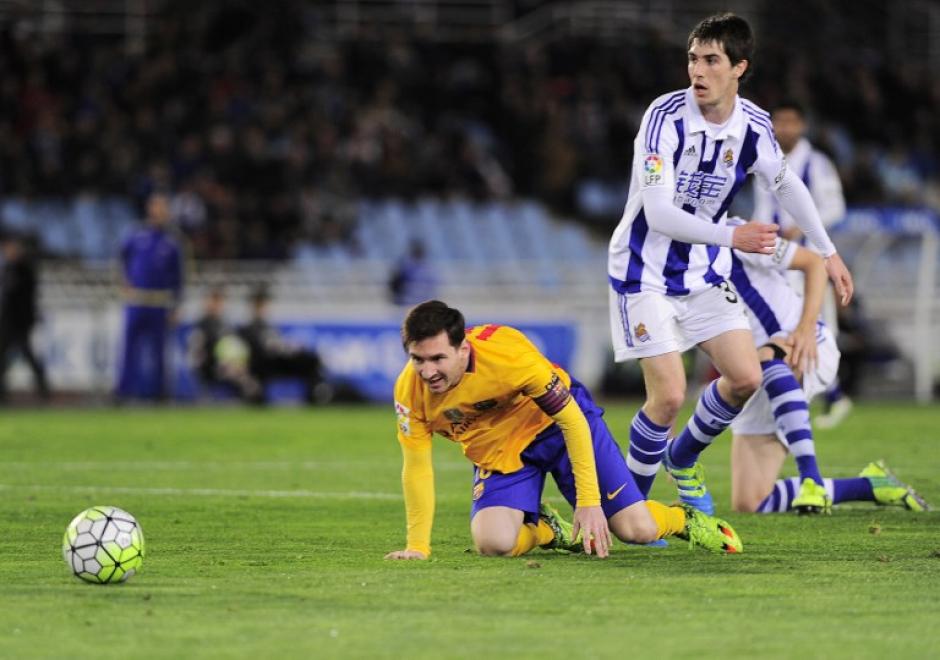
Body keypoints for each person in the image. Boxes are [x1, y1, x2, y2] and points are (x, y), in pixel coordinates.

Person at [606, 13, 853, 514]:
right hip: (643, 273)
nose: (697, 70)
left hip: (701, 273)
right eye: (693, 58)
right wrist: (731, 235)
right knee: (670, 396)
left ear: (738, 67)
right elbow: (657, 213)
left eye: (711, 60)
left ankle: (683, 458)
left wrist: (826, 250)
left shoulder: (755, 126)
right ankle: (627, 510)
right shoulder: (664, 117)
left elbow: (786, 185)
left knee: (746, 377)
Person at [384, 300, 743, 561]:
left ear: (463, 349)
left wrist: (588, 503)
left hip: (558, 427)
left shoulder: (509, 356)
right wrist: (418, 545)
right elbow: (416, 466)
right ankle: (548, 530)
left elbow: (571, 420)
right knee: (493, 544)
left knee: (637, 531)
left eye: (437, 359)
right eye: (418, 359)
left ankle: (683, 518)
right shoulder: (409, 392)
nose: (427, 371)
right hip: (501, 452)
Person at [725, 226, 929, 514]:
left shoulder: (735, 233)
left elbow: (813, 263)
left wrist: (805, 330)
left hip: (801, 344)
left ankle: (811, 478)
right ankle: (871, 485)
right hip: (751, 374)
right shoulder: (663, 271)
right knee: (750, 503)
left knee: (772, 357)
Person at [751, 100, 852, 429]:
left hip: (811, 262)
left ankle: (829, 396)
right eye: (779, 122)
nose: (785, 128)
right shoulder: (764, 159)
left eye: (791, 122)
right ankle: (817, 396)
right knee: (785, 327)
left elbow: (836, 207)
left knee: (819, 327)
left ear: (802, 126)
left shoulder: (817, 163)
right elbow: (762, 208)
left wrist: (802, 227)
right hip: (778, 261)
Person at [116, 192, 184, 401]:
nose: (159, 211)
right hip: (137, 300)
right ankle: (124, 392)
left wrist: (176, 307)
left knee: (159, 351)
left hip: (159, 301)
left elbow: (178, 278)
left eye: (163, 208)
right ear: (149, 209)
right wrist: (123, 282)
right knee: (129, 349)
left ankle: (159, 393)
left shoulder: (172, 243)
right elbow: (121, 260)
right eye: (156, 207)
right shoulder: (135, 236)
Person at [238, 286, 330, 405]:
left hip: (277, 361)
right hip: (262, 365)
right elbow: (255, 350)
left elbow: (278, 345)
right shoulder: (247, 329)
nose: (263, 308)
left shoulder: (269, 327)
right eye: (259, 305)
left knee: (309, 358)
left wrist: (287, 348)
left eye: (263, 305)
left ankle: (317, 391)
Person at [0, 232, 50, 402]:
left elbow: (19, 295)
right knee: (4, 358)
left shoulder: (25, 269)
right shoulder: (8, 268)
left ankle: (44, 391)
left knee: (28, 356)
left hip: (21, 322)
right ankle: (3, 395)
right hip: (7, 322)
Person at [388, 239, 437, 307]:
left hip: (420, 304)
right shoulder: (405, 267)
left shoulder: (428, 268)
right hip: (407, 304)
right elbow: (395, 284)